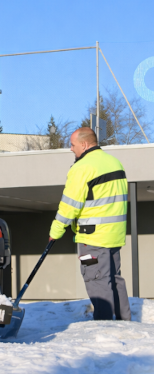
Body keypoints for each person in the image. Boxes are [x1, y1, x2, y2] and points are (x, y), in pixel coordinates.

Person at [49, 127, 131, 321]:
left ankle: (104, 326)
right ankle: (125, 324)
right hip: (114, 236)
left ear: (84, 144)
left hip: (91, 239)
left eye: (73, 145)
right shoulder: (115, 163)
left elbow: (69, 205)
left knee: (96, 280)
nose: (71, 149)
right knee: (115, 279)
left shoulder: (82, 168)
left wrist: (56, 231)